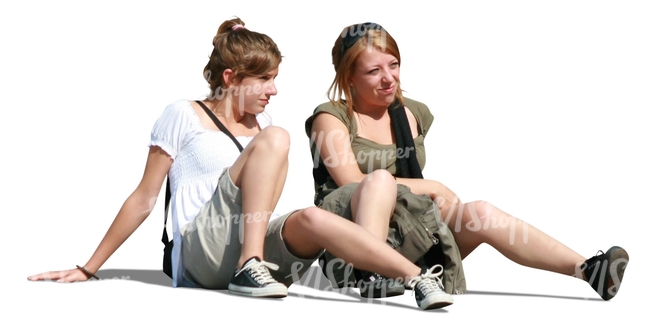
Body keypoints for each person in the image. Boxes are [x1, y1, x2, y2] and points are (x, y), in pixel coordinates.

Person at [27, 17, 457, 310]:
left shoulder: (263, 123)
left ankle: (417, 278)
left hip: (247, 240)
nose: (273, 90)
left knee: (309, 217)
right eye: (264, 80)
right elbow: (144, 198)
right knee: (278, 138)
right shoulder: (184, 113)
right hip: (199, 250)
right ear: (230, 79)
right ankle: (249, 266)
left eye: (274, 78)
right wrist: (89, 266)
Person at [305, 22, 629, 301]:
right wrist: (430, 186)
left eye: (394, 65)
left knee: (481, 213)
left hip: (403, 228)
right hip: (349, 239)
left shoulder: (410, 112)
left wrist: (435, 208)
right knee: (378, 181)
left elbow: (407, 197)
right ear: (348, 76)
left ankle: (589, 271)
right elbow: (349, 180)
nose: (389, 78)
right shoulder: (331, 117)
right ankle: (372, 271)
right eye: (374, 71)